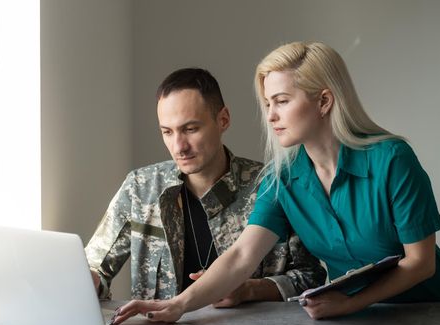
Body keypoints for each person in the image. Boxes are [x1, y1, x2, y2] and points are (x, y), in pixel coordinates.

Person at [110, 42, 440, 325]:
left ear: (324, 101)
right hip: (366, 323)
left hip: (439, 315)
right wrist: (177, 305)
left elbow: (421, 264)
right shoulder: (282, 178)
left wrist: (348, 303)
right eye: (268, 103)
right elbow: (239, 256)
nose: (271, 115)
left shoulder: (392, 159)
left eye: (282, 101)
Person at [85, 68, 326, 306]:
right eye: (167, 132)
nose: (179, 146)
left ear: (223, 120)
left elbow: (310, 277)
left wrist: (249, 290)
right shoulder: (140, 187)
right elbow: (96, 266)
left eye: (190, 129)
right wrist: (90, 281)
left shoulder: (271, 185)